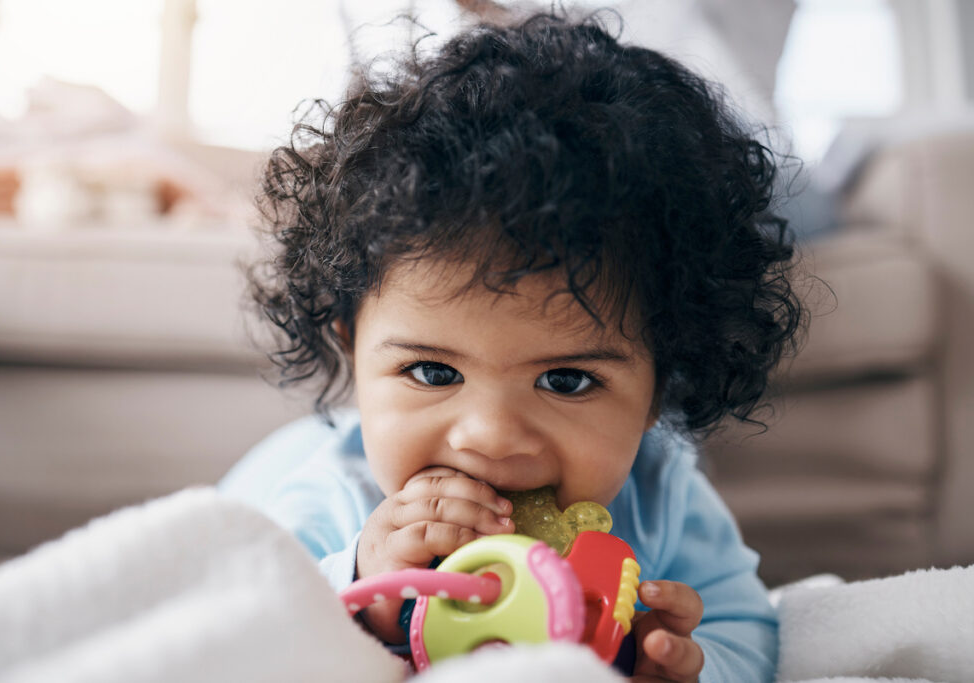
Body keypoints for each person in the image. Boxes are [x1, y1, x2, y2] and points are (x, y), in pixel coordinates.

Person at [220, 11, 804, 682]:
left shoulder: (663, 499)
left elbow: (750, 628)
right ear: (354, 353)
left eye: (565, 380)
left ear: (658, 388)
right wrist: (366, 591)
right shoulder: (330, 496)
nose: (492, 437)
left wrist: (692, 662)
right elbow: (246, 630)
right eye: (433, 371)